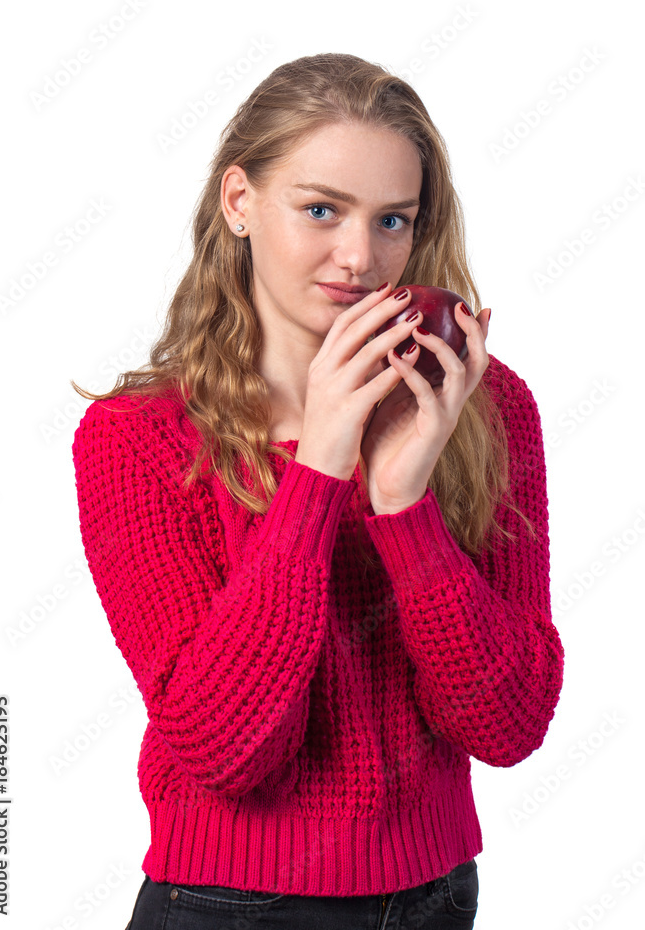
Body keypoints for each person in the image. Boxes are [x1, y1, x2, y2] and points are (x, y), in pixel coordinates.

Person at [71, 52, 564, 930]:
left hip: (435, 898)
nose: (358, 258)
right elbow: (224, 748)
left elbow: (508, 723)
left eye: (392, 221)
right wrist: (321, 467)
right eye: (321, 210)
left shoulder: (482, 409)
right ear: (239, 203)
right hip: (225, 905)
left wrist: (405, 506)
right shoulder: (136, 437)